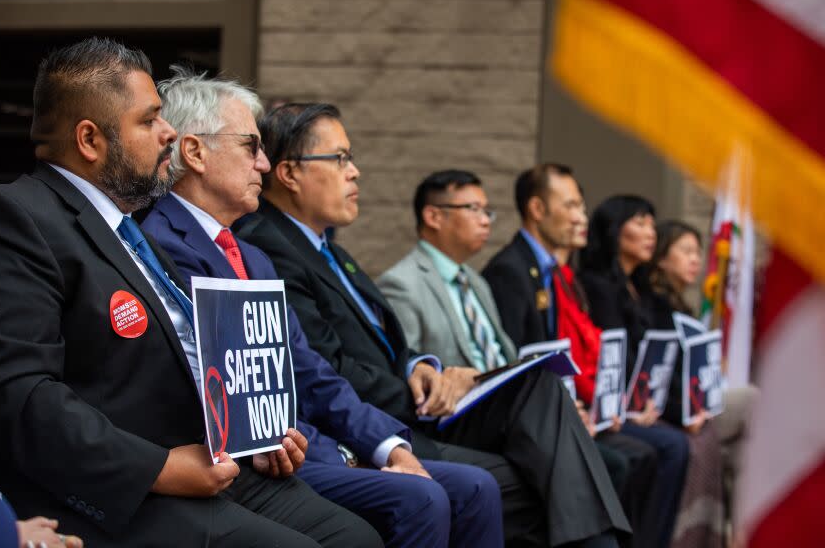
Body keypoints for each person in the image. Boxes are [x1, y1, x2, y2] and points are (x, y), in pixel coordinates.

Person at [0, 37, 382, 547]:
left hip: (215, 461)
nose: (169, 132)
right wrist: (161, 469)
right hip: (125, 486)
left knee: (357, 538)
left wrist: (251, 430)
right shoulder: (19, 217)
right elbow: (18, 394)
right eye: (149, 120)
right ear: (90, 139)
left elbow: (191, 358)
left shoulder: (136, 236)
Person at [236, 102, 631, 548]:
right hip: (382, 417)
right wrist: (427, 387)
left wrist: (418, 366)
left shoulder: (331, 250)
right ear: (289, 173)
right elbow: (327, 369)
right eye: (340, 158)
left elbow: (386, 344)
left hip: (415, 401)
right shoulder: (269, 248)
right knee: (520, 480)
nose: (355, 173)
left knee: (538, 387)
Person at [140, 68, 503, 548]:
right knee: (422, 498)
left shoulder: (253, 256)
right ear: (194, 152)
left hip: (306, 443)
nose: (264, 166)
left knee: (475, 485)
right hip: (251, 460)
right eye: (251, 147)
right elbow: (211, 385)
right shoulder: (160, 245)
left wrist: (387, 445)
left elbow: (306, 366)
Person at [481, 164, 659, 548]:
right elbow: (510, 364)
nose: (582, 217)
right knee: (623, 459)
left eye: (582, 206)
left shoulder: (554, 273)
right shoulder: (511, 272)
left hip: (559, 410)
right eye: (572, 205)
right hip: (526, 419)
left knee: (642, 453)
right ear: (537, 209)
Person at [578, 196, 693, 548]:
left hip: (646, 405)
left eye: (651, 224)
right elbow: (617, 361)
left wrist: (682, 408)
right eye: (640, 223)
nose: (650, 233)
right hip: (617, 406)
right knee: (671, 445)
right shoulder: (597, 285)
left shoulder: (645, 291)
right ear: (614, 230)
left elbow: (668, 359)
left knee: (689, 438)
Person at [650, 220, 756, 547]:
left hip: (696, 404)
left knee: (750, 409)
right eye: (685, 251)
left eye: (698, 251)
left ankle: (740, 523)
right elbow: (659, 376)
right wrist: (686, 413)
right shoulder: (655, 306)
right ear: (662, 257)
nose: (696, 259)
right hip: (676, 410)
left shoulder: (682, 304)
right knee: (750, 403)